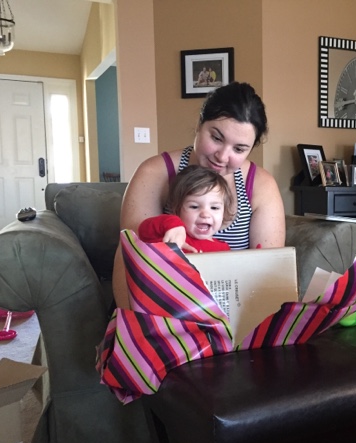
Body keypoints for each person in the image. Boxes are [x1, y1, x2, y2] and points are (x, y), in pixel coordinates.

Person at [113, 81, 285, 308]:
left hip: (232, 309)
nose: (222, 156)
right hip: (162, 307)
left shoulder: (261, 185)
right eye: (216, 138)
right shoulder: (156, 172)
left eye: (239, 149)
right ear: (199, 125)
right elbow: (131, 252)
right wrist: (139, 321)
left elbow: (268, 272)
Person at [138, 165, 234, 253]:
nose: (205, 214)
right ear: (177, 209)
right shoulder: (173, 235)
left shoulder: (224, 249)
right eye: (194, 207)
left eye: (214, 208)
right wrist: (173, 224)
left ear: (224, 213)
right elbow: (143, 230)